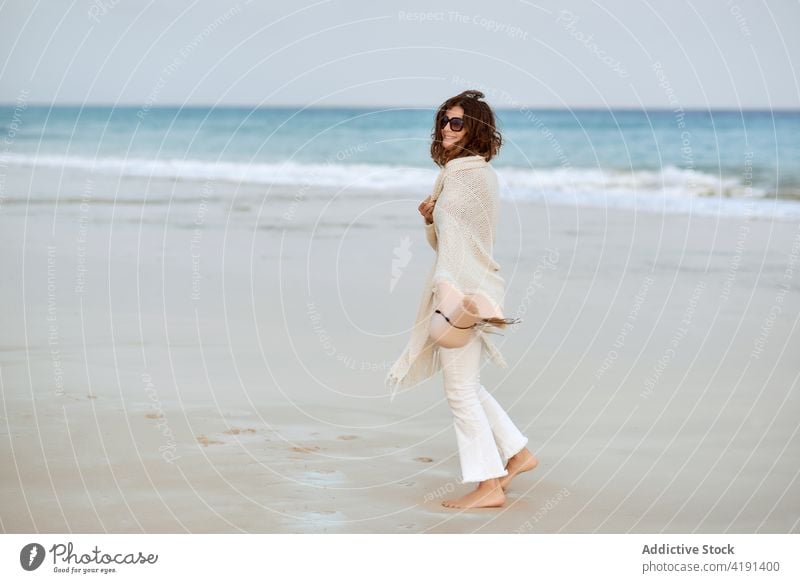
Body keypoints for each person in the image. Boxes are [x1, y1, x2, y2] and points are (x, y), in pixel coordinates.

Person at [386, 90, 538, 509]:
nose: (446, 128)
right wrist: (430, 219)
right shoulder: (455, 174)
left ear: (476, 129)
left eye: (457, 122)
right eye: (443, 120)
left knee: (459, 392)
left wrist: (451, 287)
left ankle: (489, 484)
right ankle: (518, 453)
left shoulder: (471, 176)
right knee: (466, 385)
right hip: (461, 283)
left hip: (464, 289)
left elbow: (469, 245)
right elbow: (452, 240)